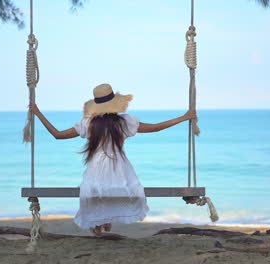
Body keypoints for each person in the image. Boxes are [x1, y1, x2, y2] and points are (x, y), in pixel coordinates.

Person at [30, 83, 196, 237]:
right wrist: (183, 117)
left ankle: (101, 222)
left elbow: (57, 135)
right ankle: (106, 220)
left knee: (96, 189)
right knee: (117, 188)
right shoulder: (124, 122)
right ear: (115, 104)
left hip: (96, 166)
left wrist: (37, 113)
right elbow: (155, 128)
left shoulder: (88, 124)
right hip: (119, 166)